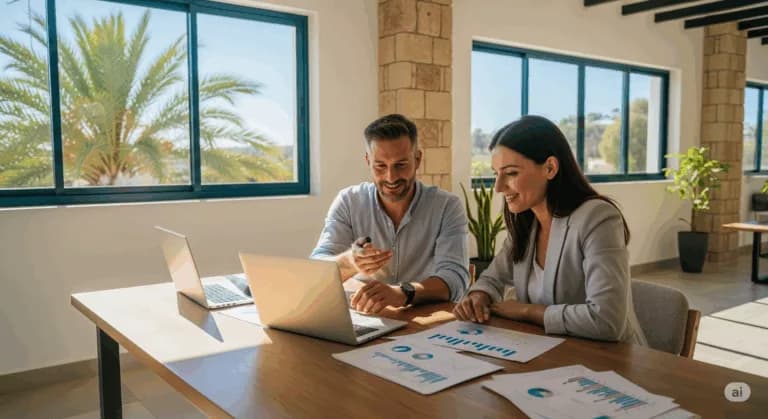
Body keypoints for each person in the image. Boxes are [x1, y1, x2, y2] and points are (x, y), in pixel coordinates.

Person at [453, 115, 647, 345]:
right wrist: (478, 296)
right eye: (497, 174)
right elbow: (492, 278)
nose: (498, 187)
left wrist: (526, 311)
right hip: (549, 352)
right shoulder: (526, 223)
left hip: (609, 361)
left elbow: (607, 320)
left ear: (550, 167)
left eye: (511, 173)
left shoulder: (598, 218)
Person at [311, 114, 469, 314]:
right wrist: (350, 261)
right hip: (363, 318)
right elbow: (316, 270)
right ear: (368, 161)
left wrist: (403, 293)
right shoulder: (348, 201)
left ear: (417, 159)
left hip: (424, 321)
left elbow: (455, 279)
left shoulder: (447, 206)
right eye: (380, 166)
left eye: (400, 165)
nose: (390, 177)